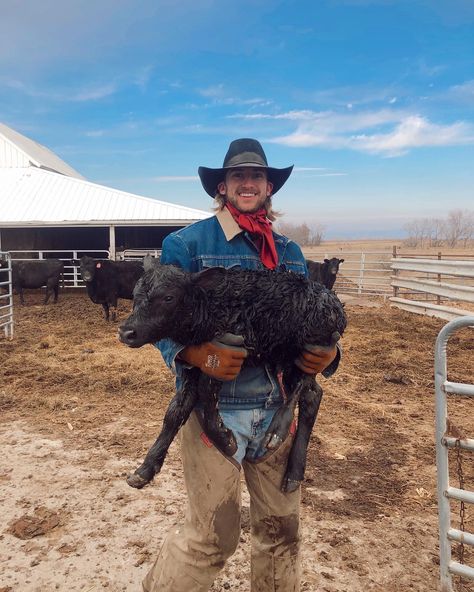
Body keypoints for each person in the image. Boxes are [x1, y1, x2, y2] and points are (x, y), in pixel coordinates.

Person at [142, 138, 340, 592]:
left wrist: (329, 356)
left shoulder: (288, 252)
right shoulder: (186, 245)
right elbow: (156, 319)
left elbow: (309, 314)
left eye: (256, 176)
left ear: (270, 187)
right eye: (237, 176)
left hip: (278, 409)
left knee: (281, 534)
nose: (247, 183)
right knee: (210, 538)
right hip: (217, 411)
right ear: (223, 187)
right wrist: (192, 354)